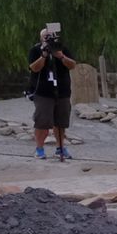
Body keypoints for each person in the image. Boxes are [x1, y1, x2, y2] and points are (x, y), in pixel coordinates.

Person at [27, 25, 78, 160]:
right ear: (41, 39)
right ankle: (39, 149)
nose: (49, 40)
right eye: (46, 37)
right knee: (42, 122)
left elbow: (72, 65)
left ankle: (60, 147)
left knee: (61, 122)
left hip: (62, 92)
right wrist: (44, 56)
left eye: (51, 37)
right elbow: (34, 68)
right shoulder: (36, 50)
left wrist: (61, 57)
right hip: (43, 92)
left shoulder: (62, 49)